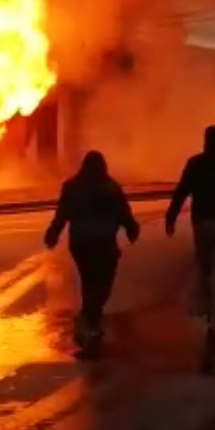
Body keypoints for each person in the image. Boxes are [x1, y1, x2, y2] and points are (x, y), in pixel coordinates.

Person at [165, 125, 215, 374]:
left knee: (205, 269)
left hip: (202, 226)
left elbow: (181, 192)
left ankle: (206, 314)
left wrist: (171, 217)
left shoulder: (196, 163)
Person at [45, 150, 140, 355]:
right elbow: (123, 212)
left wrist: (53, 234)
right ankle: (92, 322)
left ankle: (90, 317)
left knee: (89, 281)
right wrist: (132, 228)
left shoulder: (73, 187)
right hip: (103, 242)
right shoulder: (110, 187)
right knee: (103, 282)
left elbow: (62, 215)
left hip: (81, 243)